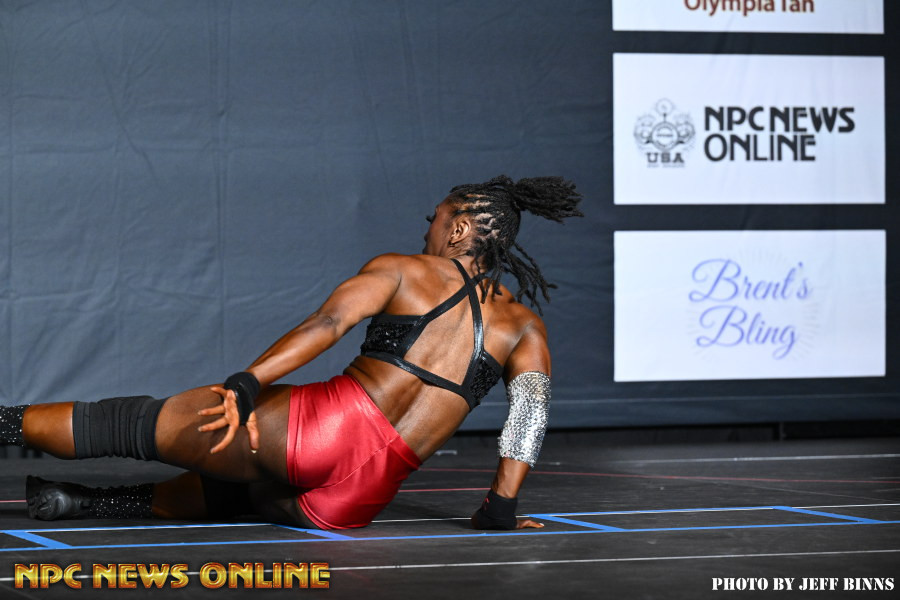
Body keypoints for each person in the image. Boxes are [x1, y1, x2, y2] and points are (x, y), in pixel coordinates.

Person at [0, 175, 582, 530]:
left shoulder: (405, 270)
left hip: (317, 431)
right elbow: (528, 419)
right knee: (239, 492)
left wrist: (248, 382)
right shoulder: (525, 326)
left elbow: (327, 323)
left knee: (128, 424)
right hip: (356, 501)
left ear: (458, 230)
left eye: (436, 219)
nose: (426, 228)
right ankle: (80, 501)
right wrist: (498, 511)